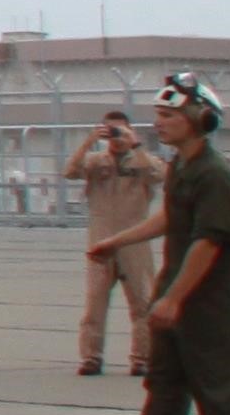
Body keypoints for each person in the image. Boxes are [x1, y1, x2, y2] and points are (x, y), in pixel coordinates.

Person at [89, 76, 230, 415]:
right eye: (158, 115)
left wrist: (174, 298)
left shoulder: (214, 175)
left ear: (197, 119)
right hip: (179, 297)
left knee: (214, 389)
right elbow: (170, 217)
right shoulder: (183, 168)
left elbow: (209, 241)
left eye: (168, 115)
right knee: (164, 382)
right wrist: (117, 241)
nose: (158, 123)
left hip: (208, 305)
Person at [71, 113, 168, 376]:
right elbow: (70, 171)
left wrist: (135, 145)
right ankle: (91, 356)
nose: (115, 138)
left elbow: (159, 175)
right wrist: (89, 141)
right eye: (110, 132)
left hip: (134, 238)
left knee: (142, 301)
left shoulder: (143, 160)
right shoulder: (95, 161)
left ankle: (141, 358)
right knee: (95, 303)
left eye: (120, 132)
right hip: (100, 237)